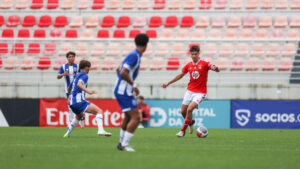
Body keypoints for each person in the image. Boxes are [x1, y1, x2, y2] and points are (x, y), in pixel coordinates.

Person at [162, 45, 220, 137]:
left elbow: (213, 67)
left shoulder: (204, 63)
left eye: (195, 54)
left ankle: (182, 131)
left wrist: (216, 68)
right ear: (190, 55)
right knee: (183, 111)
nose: (194, 56)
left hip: (200, 92)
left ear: (198, 54)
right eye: (192, 54)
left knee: (189, 109)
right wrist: (168, 83)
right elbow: (180, 75)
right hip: (190, 91)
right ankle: (191, 122)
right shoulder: (188, 65)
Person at [114, 33, 149, 152]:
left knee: (128, 117)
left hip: (122, 90)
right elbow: (123, 72)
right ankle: (124, 145)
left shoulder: (133, 55)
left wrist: (121, 83)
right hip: (124, 91)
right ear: (146, 45)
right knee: (136, 117)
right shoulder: (135, 56)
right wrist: (133, 85)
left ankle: (121, 143)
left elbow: (118, 69)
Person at [63, 60, 112, 138]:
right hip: (79, 101)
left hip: (71, 102)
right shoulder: (85, 75)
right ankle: (101, 130)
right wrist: (88, 91)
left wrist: (69, 97)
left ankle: (67, 134)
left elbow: (69, 88)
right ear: (86, 67)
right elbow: (79, 84)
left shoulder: (76, 76)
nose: (89, 69)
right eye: (89, 68)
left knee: (78, 116)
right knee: (99, 111)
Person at [57, 51, 84, 128]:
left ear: (74, 58)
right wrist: (63, 74)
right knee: (70, 104)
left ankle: (81, 117)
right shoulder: (63, 67)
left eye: (72, 56)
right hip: (68, 89)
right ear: (67, 58)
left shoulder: (78, 66)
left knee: (78, 104)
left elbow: (82, 75)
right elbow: (58, 76)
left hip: (77, 88)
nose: (71, 58)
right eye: (69, 57)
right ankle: (72, 121)